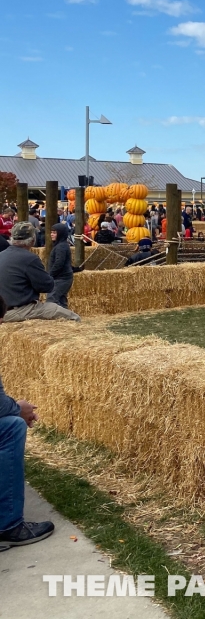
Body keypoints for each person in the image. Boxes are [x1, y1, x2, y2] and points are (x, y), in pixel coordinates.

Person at [0, 296, 56, 550]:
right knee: (12, 426)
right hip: (28, 304)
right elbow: (46, 285)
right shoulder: (34, 259)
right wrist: (17, 408)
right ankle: (9, 524)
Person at [0, 223, 80, 321]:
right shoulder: (30, 259)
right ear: (33, 240)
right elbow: (47, 286)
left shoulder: (1, 255)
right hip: (20, 310)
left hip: (3, 311)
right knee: (72, 317)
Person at [46, 222, 79, 308]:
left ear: (60, 233)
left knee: (51, 299)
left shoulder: (61, 246)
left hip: (61, 278)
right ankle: (65, 318)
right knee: (61, 299)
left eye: (54, 232)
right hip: (62, 277)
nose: (52, 234)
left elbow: (59, 263)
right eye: (51, 232)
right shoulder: (61, 245)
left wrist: (49, 275)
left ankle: (58, 318)